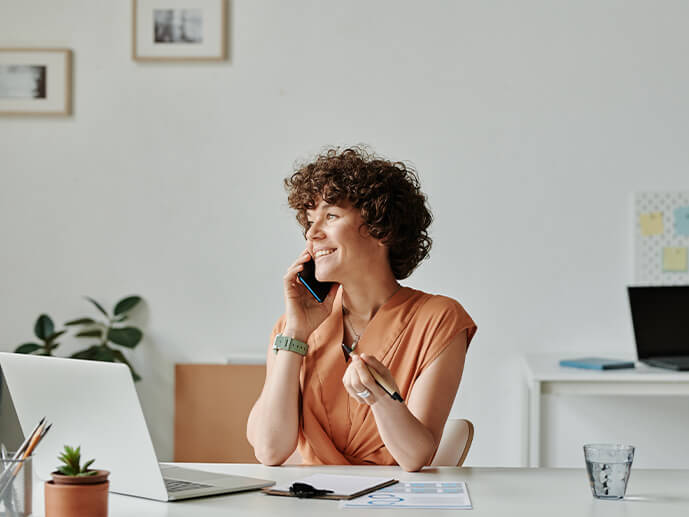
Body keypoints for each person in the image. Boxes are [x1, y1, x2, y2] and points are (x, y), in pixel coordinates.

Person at [246, 147, 477, 472]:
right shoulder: (291, 328)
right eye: (310, 221)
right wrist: (295, 334)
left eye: (331, 216)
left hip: (393, 503)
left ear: (380, 228)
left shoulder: (439, 320)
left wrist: (380, 397)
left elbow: (415, 457)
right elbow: (270, 451)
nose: (312, 234)